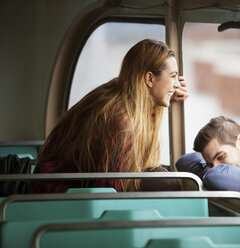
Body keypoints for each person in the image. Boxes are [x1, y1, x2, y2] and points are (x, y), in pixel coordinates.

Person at [30, 39, 189, 193]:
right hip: (54, 195)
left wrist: (165, 95)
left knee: (163, 180)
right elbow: (109, 189)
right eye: (173, 76)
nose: (177, 84)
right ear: (149, 79)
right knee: (165, 184)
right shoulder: (120, 120)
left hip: (65, 188)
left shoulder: (120, 93)